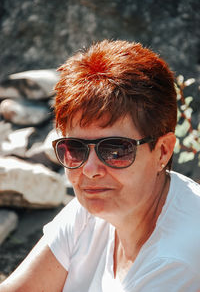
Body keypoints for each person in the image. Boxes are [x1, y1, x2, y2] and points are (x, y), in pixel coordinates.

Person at [0, 40, 200, 292]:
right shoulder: (93, 210)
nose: (90, 169)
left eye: (115, 150)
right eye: (74, 149)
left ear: (162, 151)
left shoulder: (177, 262)